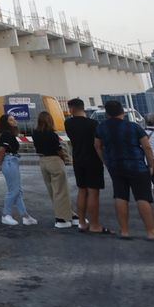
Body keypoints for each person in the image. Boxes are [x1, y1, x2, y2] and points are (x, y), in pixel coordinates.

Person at [94, 102, 154, 240]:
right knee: (143, 197)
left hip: (115, 166)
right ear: (123, 112)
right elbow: (147, 147)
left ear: (107, 114)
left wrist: (105, 161)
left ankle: (124, 231)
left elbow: (97, 146)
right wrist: (151, 165)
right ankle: (151, 232)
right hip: (137, 165)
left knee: (120, 196)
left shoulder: (101, 128)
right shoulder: (133, 126)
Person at [64, 99, 105, 233]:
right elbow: (98, 143)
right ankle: (94, 224)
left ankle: (82, 222)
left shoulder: (68, 123)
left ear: (72, 109)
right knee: (93, 192)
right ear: (83, 108)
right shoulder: (93, 124)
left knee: (82, 190)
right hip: (93, 159)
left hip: (78, 159)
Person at [31, 112, 75, 228]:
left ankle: (69, 214)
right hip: (54, 160)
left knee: (52, 190)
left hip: (43, 161)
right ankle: (61, 219)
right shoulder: (52, 134)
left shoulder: (35, 134)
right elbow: (59, 150)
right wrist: (64, 159)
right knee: (61, 191)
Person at [0, 114, 33, 226]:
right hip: (9, 161)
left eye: (14, 119)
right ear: (6, 123)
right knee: (14, 191)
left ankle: (25, 216)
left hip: (12, 161)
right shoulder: (6, 134)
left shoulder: (8, 134)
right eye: (11, 120)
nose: (14, 121)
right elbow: (2, 150)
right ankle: (5, 215)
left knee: (17, 191)